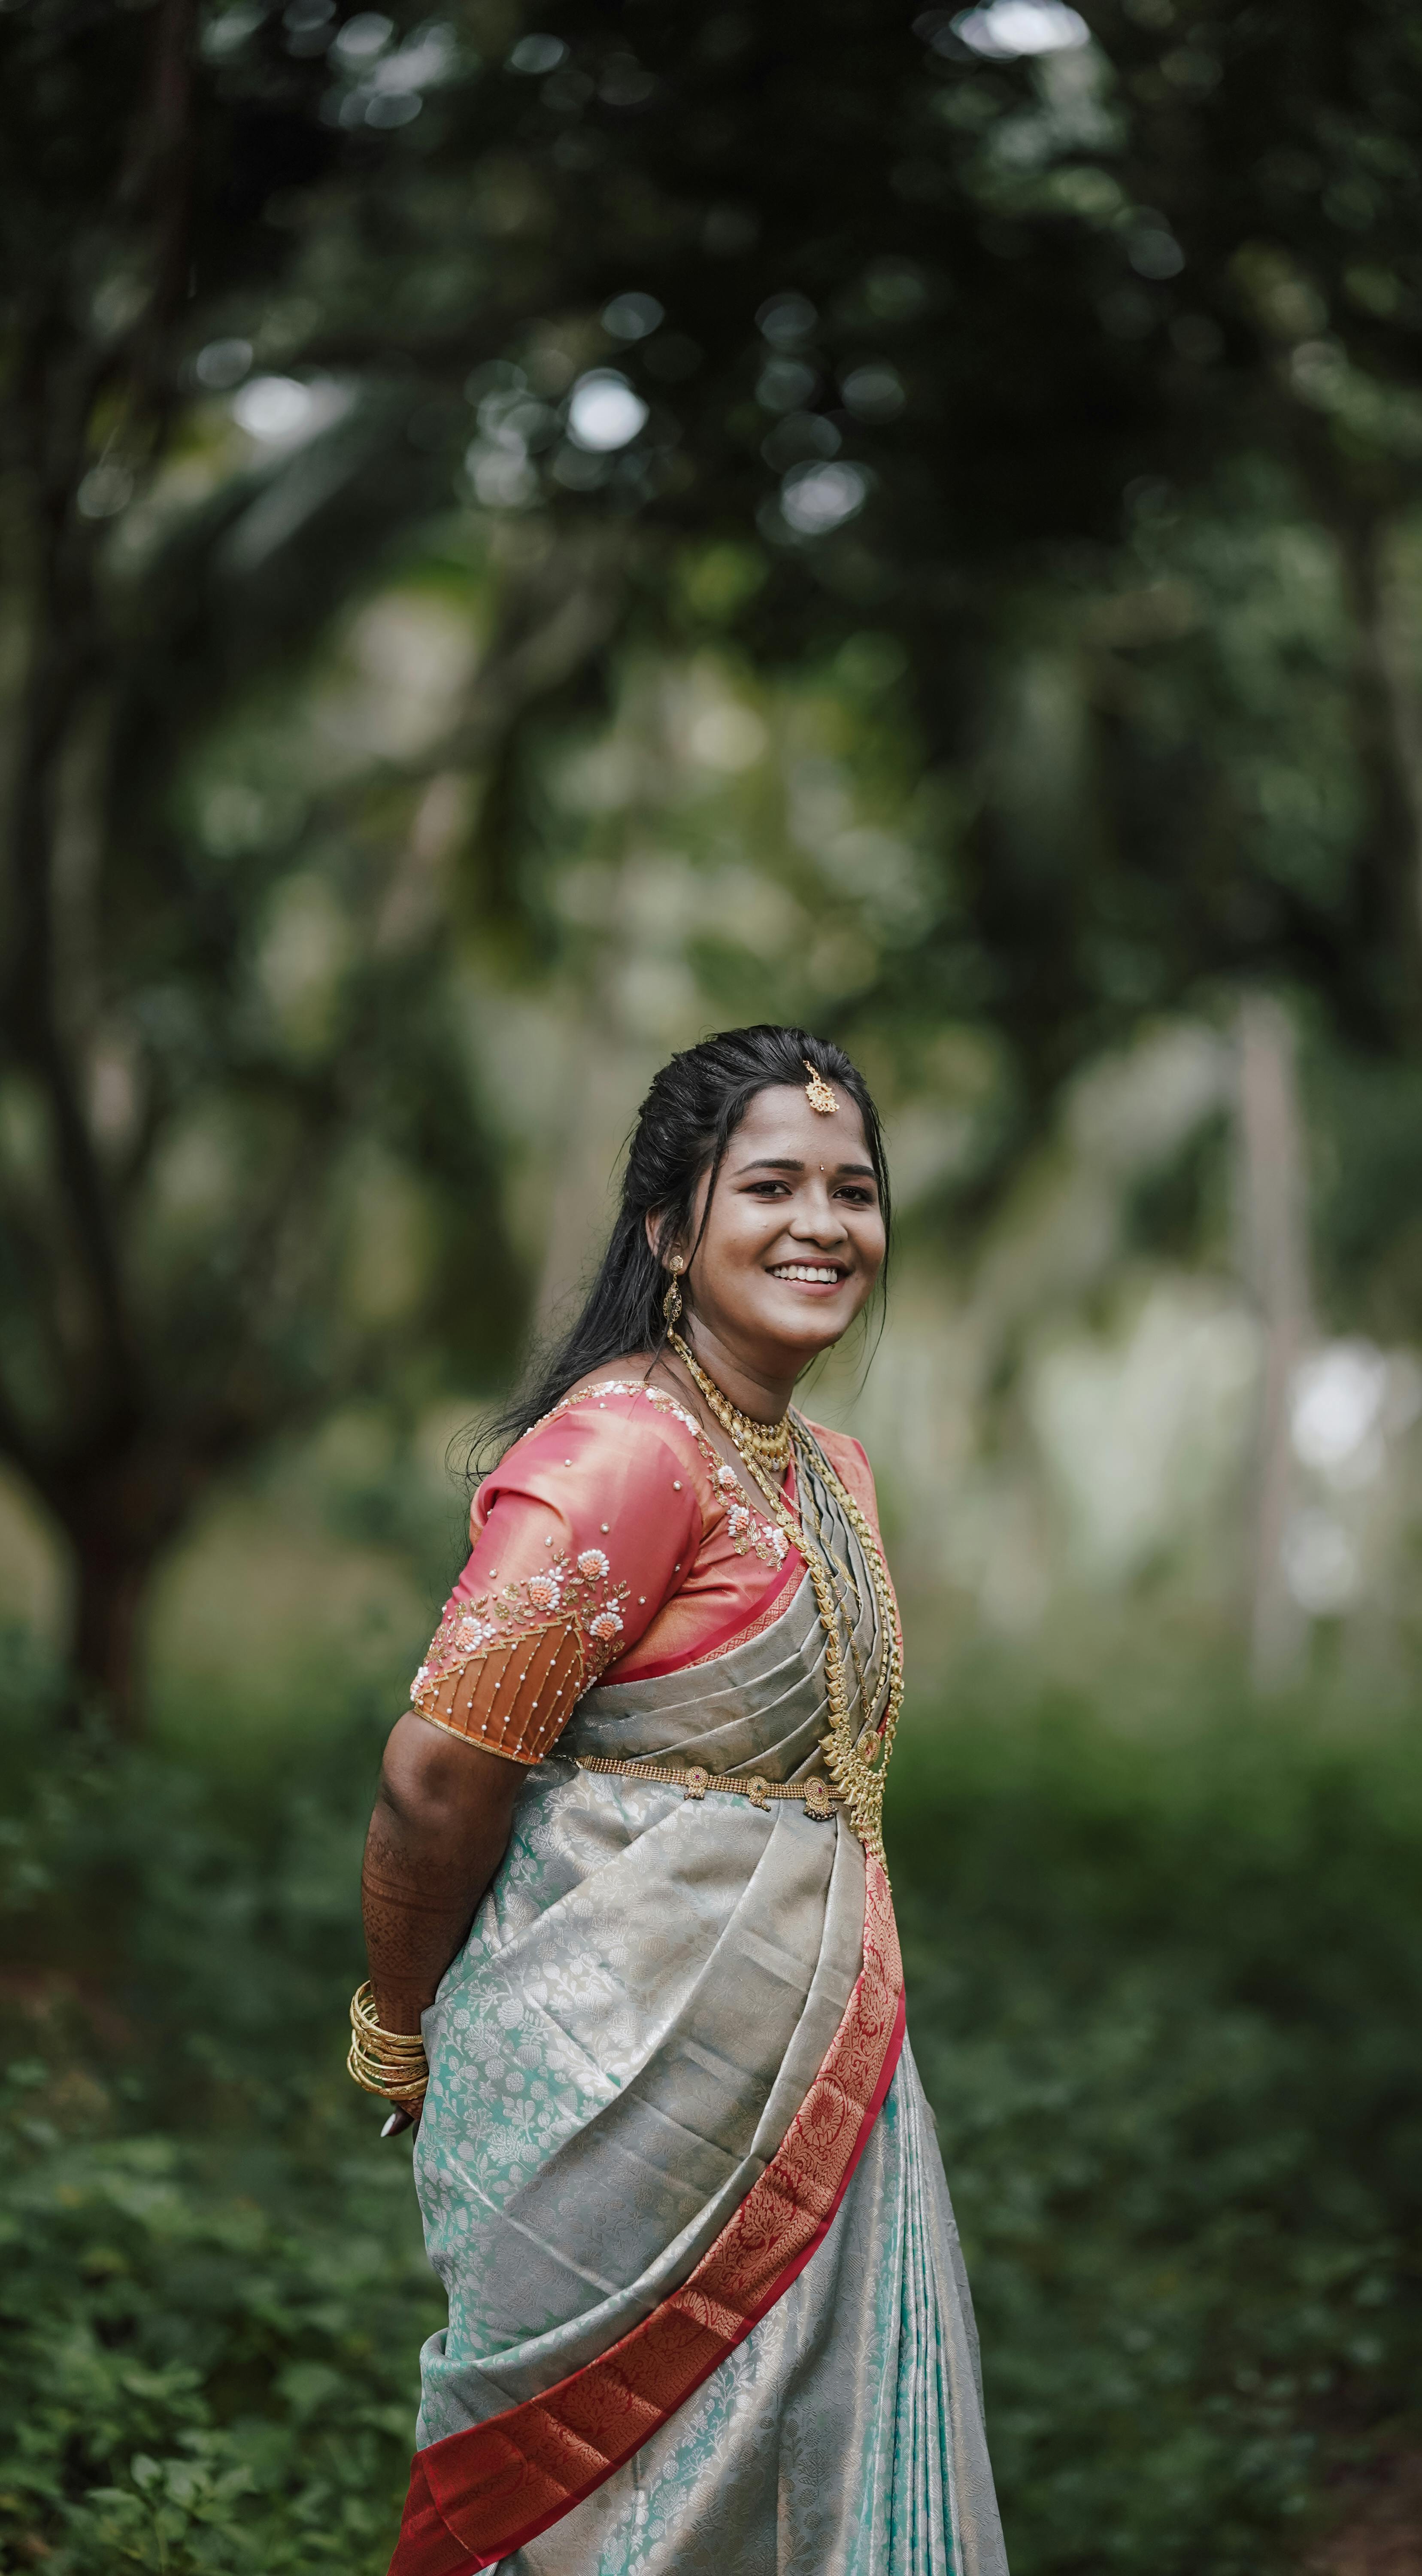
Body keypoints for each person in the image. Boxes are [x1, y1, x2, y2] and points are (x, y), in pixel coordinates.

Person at [352, 1025, 1008, 2576]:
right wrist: (397, 2017)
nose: (822, 1225)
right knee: (608, 2512)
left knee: (812, 2470)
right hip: (613, 2099)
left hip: (822, 2082)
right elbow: (435, 1774)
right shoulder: (624, 1454)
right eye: (771, 1184)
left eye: (855, 1189)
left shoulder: (825, 1470)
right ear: (670, 1228)